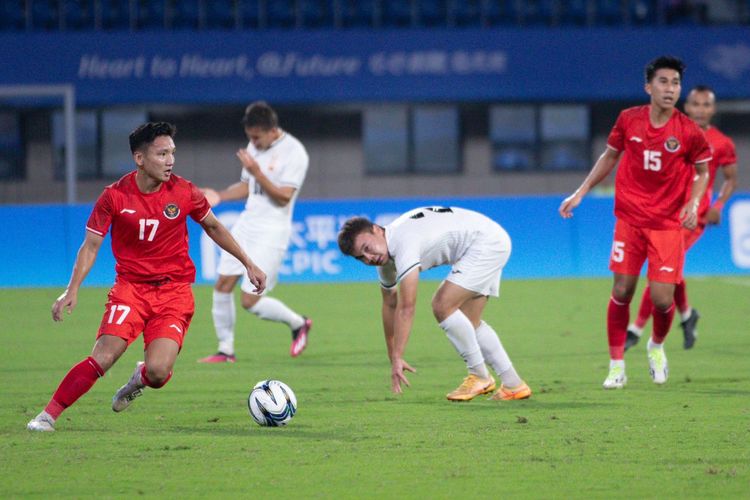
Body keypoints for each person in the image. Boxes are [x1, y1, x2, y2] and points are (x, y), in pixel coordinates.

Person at [27, 122, 266, 432]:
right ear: (139, 158)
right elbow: (91, 246)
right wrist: (71, 289)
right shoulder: (113, 197)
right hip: (131, 290)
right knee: (104, 356)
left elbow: (214, 227)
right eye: (162, 154)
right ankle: (47, 416)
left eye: (172, 153)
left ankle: (137, 380)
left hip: (174, 293)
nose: (170, 161)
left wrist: (248, 263)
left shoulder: (184, 191)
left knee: (157, 372)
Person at [559, 55, 711, 389]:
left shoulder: (688, 131)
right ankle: (616, 366)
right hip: (629, 220)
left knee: (661, 300)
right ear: (648, 87)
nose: (670, 89)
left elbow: (702, 171)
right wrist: (581, 192)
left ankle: (656, 346)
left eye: (675, 83)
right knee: (622, 290)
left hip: (667, 225)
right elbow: (609, 155)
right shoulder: (629, 120)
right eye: (663, 82)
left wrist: (694, 200)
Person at [337, 207, 531, 402]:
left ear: (377, 230)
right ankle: (513, 385)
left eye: (367, 248)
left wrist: (398, 355)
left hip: (486, 243)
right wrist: (393, 356)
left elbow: (407, 307)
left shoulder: (403, 242)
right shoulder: (385, 259)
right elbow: (389, 305)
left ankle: (479, 376)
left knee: (442, 304)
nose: (369, 258)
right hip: (488, 239)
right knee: (469, 322)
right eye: (361, 257)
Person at [625, 85, 738, 351]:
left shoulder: (722, 143)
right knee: (670, 271)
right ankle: (687, 315)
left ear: (713, 109)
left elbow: (731, 180)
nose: (700, 109)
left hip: (692, 217)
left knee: (660, 272)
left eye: (706, 104)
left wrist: (719, 205)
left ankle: (636, 329)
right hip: (663, 212)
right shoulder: (671, 133)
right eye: (696, 104)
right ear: (687, 107)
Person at [198, 101, 311, 364]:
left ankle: (299, 323)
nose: (253, 143)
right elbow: (247, 186)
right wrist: (220, 195)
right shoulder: (255, 145)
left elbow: (284, 197)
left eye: (257, 138)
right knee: (222, 284)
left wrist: (257, 172)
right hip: (248, 223)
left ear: (272, 130)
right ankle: (226, 351)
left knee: (250, 300)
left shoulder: (295, 153)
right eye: (250, 137)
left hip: (273, 230)